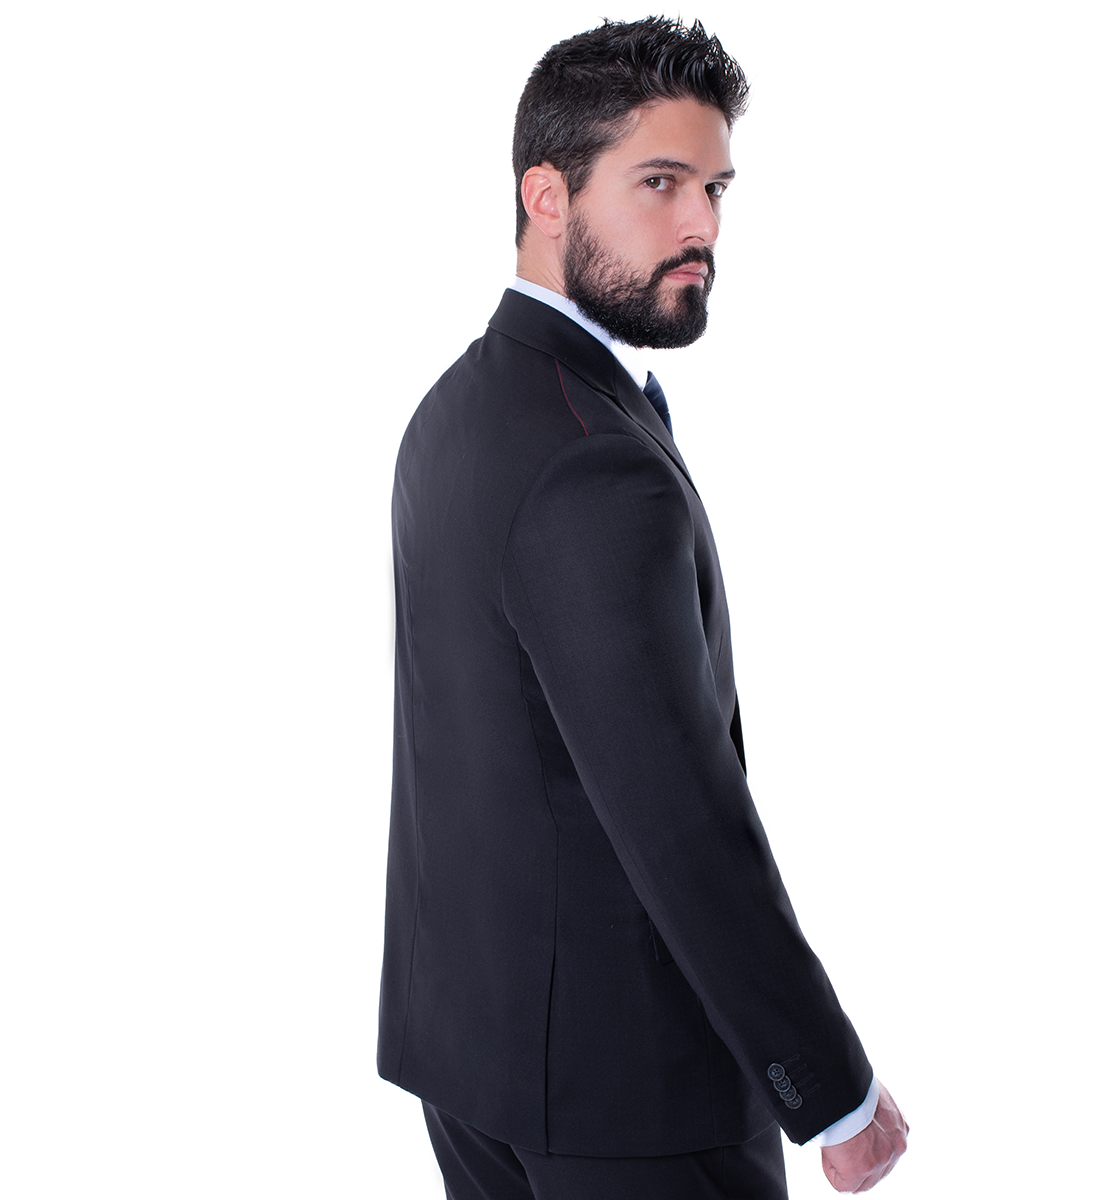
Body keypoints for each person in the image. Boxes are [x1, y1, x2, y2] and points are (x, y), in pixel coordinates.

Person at [378, 17, 908, 1199]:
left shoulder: (453, 411)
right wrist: (829, 1087)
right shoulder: (590, 463)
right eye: (659, 183)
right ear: (546, 195)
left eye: (715, 188)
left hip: (472, 1060)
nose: (701, 226)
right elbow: (680, 819)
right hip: (632, 1101)